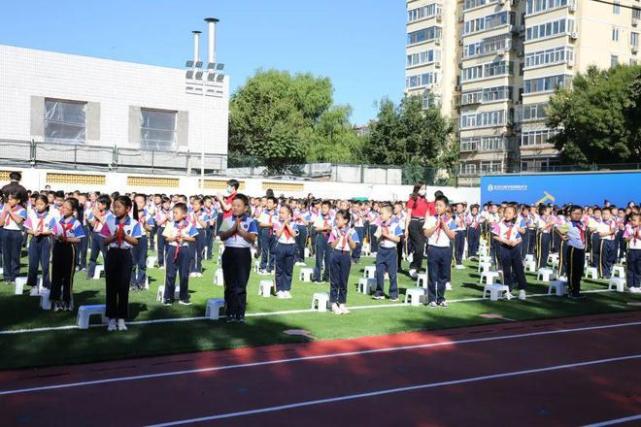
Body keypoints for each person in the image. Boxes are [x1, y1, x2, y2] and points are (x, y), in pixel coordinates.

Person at [101, 195, 142, 331]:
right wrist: (114, 236)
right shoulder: (110, 221)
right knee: (111, 287)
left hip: (125, 256)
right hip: (112, 254)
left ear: (128, 208)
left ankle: (122, 319)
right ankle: (111, 319)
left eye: (119, 207)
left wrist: (124, 236)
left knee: (124, 288)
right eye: (114, 207)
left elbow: (136, 242)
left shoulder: (134, 223)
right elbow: (104, 241)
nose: (116, 209)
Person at [218, 194, 258, 322]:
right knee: (229, 284)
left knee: (241, 284)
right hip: (229, 252)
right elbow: (222, 236)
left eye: (238, 205)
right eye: (233, 205)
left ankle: (240, 313)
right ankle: (230, 312)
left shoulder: (251, 221)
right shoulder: (227, 220)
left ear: (245, 208)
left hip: (243, 253)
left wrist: (240, 230)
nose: (235, 208)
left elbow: (252, 238)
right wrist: (233, 229)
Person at [50, 197, 85, 311]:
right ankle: (55, 300)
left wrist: (66, 239)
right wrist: (55, 236)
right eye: (62, 207)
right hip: (58, 248)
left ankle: (67, 300)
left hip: (69, 250)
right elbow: (54, 233)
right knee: (56, 275)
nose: (63, 209)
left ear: (73, 210)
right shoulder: (59, 221)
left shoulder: (76, 223)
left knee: (67, 276)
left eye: (66, 207)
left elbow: (79, 239)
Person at [162, 203, 198, 305]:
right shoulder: (170, 224)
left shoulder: (190, 225)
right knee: (170, 274)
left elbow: (194, 238)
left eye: (176, 213)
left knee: (184, 274)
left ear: (184, 215)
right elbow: (166, 237)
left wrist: (185, 237)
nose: (174, 215)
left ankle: (183, 297)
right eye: (173, 213)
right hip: (173, 248)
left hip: (185, 250)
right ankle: (168, 297)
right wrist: (173, 238)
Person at [423, 195, 455, 308]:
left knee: (443, 275)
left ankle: (441, 298)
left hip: (445, 249)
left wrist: (444, 225)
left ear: (446, 207)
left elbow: (452, 236)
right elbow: (426, 233)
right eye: (436, 205)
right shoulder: (431, 219)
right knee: (432, 274)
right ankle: (431, 298)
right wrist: (435, 226)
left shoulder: (450, 220)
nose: (437, 207)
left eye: (440, 205)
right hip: (433, 248)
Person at [492, 204, 528, 301]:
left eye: (510, 213)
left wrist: (515, 242)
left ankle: (522, 290)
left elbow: (520, 238)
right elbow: (494, 236)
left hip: (515, 248)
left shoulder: (515, 225)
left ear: (514, 215)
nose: (507, 215)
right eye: (506, 212)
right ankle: (507, 290)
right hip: (504, 248)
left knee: (518, 268)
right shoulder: (499, 224)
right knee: (506, 270)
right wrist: (505, 241)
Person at [327, 209, 359, 314]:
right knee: (334, 280)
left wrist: (348, 238)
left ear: (345, 220)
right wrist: (339, 237)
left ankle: (342, 303)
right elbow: (331, 245)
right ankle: (333, 303)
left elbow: (354, 246)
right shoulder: (334, 230)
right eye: (336, 219)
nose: (336, 221)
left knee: (343, 281)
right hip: (335, 254)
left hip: (345, 255)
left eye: (338, 219)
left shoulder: (352, 231)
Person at [24, 194, 56, 289]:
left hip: (46, 240)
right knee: (33, 263)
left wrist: (43, 232)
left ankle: (47, 285)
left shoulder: (51, 217)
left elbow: (53, 230)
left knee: (45, 264)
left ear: (46, 205)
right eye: (37, 204)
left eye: (41, 204)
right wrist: (33, 232)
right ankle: (32, 284)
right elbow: (27, 229)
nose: (39, 206)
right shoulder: (32, 215)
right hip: (34, 240)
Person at [372, 203, 403, 301]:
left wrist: (387, 235)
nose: (380, 216)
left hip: (391, 251)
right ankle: (379, 292)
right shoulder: (380, 225)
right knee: (379, 271)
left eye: (382, 214)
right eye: (380, 214)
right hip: (381, 251)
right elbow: (377, 239)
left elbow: (398, 239)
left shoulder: (395, 225)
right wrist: (381, 235)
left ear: (390, 214)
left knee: (392, 273)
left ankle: (393, 294)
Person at [405, 182, 432, 279]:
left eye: (425, 188)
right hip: (414, 223)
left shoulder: (426, 201)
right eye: (422, 188)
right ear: (417, 189)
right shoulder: (412, 200)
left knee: (421, 248)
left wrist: (428, 226)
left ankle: (418, 267)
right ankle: (413, 266)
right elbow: (408, 215)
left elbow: (427, 214)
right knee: (419, 246)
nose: (423, 190)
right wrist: (406, 229)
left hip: (423, 224)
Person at [561, 205, 588, 298]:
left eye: (579, 213)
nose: (577, 215)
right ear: (570, 214)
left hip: (581, 249)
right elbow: (558, 229)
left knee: (579, 270)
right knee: (572, 270)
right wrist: (562, 236)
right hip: (573, 249)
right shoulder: (568, 224)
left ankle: (577, 289)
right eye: (574, 213)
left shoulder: (582, 224)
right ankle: (572, 291)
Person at [0, 191, 27, 283]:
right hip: (5, 231)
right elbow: (1, 222)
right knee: (6, 255)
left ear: (18, 200)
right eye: (8, 199)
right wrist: (4, 212)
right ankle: (7, 276)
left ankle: (15, 276)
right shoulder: (6, 208)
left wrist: (10, 211)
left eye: (12, 199)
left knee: (15, 255)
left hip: (16, 233)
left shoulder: (22, 210)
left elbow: (19, 221)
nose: (9, 201)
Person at [273, 204, 298, 298]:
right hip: (281, 246)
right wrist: (283, 224)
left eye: (283, 213)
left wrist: (287, 224)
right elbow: (278, 234)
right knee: (279, 269)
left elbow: (294, 234)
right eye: (280, 212)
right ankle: (279, 289)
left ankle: (286, 289)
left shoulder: (294, 224)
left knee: (288, 269)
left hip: (290, 246)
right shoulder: (277, 223)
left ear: (289, 214)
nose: (281, 214)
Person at [87, 194, 113, 280]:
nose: (97, 206)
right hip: (95, 234)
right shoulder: (97, 212)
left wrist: (98, 216)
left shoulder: (109, 215)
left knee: (106, 255)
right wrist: (94, 217)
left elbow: (108, 226)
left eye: (99, 204)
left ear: (105, 205)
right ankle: (90, 273)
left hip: (103, 236)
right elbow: (92, 224)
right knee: (93, 256)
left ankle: (108, 273)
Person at [131, 194, 154, 289]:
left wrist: (144, 223)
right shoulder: (129, 214)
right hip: (131, 239)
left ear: (145, 203)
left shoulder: (147, 214)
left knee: (141, 262)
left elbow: (151, 229)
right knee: (131, 263)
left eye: (141, 202)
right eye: (136, 202)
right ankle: (132, 283)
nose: (139, 204)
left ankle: (141, 282)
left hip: (143, 239)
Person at [312, 200, 333, 283]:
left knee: (329, 258)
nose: (323, 210)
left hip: (330, 237)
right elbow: (316, 228)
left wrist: (329, 228)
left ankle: (326, 277)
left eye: (325, 208)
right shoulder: (319, 217)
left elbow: (333, 228)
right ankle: (317, 277)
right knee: (319, 258)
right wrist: (325, 228)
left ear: (329, 209)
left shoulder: (333, 218)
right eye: (322, 208)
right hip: (320, 236)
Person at [258, 196, 278, 275]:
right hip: (265, 231)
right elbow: (260, 224)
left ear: (275, 204)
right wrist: (269, 224)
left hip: (274, 233)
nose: (268, 204)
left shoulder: (278, 214)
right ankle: (262, 267)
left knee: (273, 251)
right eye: (267, 202)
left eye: (270, 202)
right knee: (265, 250)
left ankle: (271, 267)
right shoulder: (264, 213)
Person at [624, 212, 641, 293]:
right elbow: (625, 239)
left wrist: (638, 236)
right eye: (632, 220)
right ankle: (630, 285)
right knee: (631, 268)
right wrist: (630, 236)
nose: (633, 222)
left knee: (638, 268)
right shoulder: (628, 228)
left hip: (640, 250)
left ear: (640, 222)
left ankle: (637, 285)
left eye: (635, 220)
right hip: (631, 250)